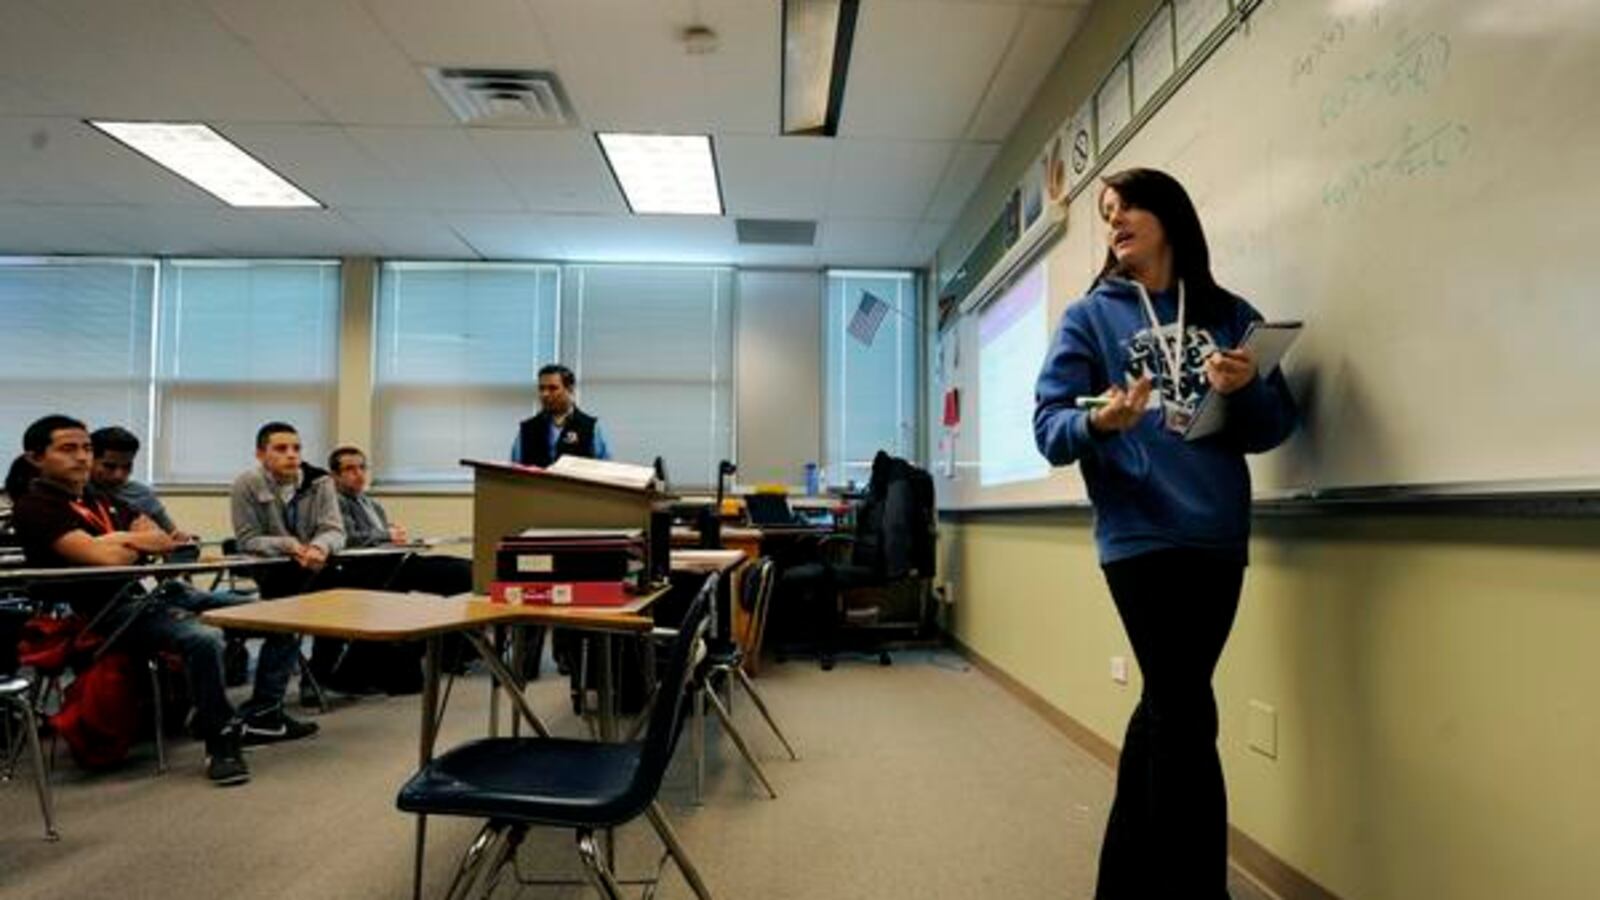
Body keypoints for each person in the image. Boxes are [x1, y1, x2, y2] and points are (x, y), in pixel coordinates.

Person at [1032, 168, 1298, 899]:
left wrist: (1248, 391)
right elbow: (1049, 430)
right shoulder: (1090, 319)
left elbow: (1275, 429)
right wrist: (1100, 421)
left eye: (1125, 208)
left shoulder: (1228, 311)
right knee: (1187, 712)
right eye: (1106, 213)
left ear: (1169, 216)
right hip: (1139, 533)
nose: (1112, 221)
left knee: (1167, 706)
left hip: (1218, 534)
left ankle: (1122, 882)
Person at [12, 415, 314, 786]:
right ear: (36, 458)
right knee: (203, 639)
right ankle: (220, 738)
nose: (81, 457)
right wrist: (129, 542)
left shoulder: (99, 498)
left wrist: (124, 543)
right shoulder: (35, 507)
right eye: (68, 449)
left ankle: (265, 713)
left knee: (276, 615)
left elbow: (160, 540)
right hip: (100, 613)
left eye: (86, 448)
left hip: (148, 594)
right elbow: (108, 559)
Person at [230, 422, 359, 695]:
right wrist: (289, 545)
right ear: (260, 454)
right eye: (281, 448)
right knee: (286, 616)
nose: (291, 455)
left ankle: (316, 678)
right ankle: (266, 703)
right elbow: (247, 539)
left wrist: (319, 547)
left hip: (317, 565)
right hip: (274, 570)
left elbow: (334, 529)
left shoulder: (320, 481)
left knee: (342, 599)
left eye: (296, 448)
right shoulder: (246, 484)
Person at [328, 445, 472, 597]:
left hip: (395, 559)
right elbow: (347, 538)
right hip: (374, 567)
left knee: (471, 568)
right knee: (463, 573)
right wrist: (388, 535)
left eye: (362, 467)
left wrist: (398, 538)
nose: (359, 474)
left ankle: (492, 609)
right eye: (350, 469)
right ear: (335, 476)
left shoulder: (370, 503)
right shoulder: (336, 502)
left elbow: (380, 534)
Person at [88, 426, 187, 539]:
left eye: (127, 466)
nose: (119, 475)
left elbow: (172, 536)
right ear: (89, 459)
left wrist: (182, 541)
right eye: (109, 466)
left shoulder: (142, 495)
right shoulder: (75, 493)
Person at [511, 364, 611, 466]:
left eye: (552, 388)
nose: (545, 394)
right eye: (541, 388)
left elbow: (603, 470)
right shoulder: (528, 428)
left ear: (570, 389)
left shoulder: (590, 427)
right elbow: (514, 470)